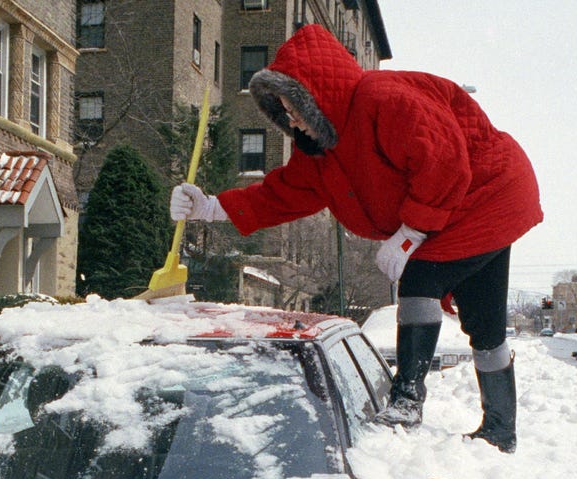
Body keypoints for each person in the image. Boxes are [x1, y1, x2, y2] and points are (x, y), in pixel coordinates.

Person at [169, 24, 541, 453]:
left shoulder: (384, 99)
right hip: (474, 203)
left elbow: (444, 162)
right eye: (283, 110)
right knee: (485, 324)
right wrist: (210, 207)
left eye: (293, 105)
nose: (290, 119)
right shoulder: (322, 152)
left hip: (487, 192)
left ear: (315, 94)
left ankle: (406, 400)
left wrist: (410, 234)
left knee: (420, 280)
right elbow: (282, 193)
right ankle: (500, 431)